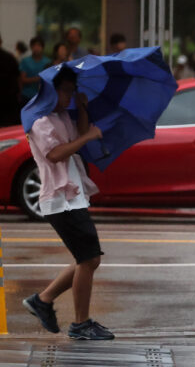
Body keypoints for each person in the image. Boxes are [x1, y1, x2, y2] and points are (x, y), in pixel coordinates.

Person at [22, 66, 114, 340]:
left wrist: (83, 109)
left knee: (87, 259)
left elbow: (78, 136)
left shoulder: (61, 116)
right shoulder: (39, 121)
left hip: (72, 196)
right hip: (60, 199)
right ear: (51, 91)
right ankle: (80, 323)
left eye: (71, 91)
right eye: (64, 91)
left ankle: (43, 300)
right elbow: (55, 154)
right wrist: (88, 137)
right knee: (89, 259)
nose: (68, 96)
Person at [19, 36, 50, 104]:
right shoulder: (25, 61)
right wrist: (37, 79)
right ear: (31, 47)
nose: (36, 48)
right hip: (26, 96)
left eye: (39, 45)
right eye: (34, 46)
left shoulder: (47, 62)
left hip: (42, 96)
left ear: (42, 47)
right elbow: (22, 79)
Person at [0, 34, 21, 126]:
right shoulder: (10, 57)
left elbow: (17, 77)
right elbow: (18, 77)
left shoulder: (9, 58)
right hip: (10, 98)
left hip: (9, 98)